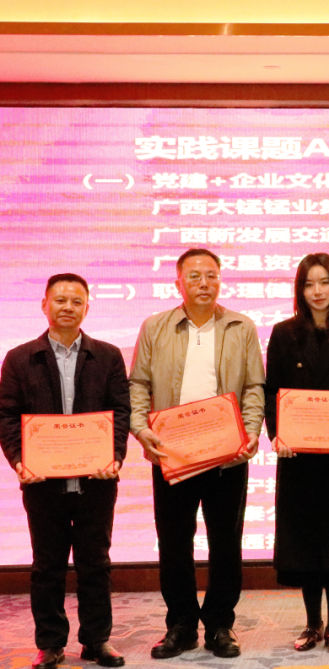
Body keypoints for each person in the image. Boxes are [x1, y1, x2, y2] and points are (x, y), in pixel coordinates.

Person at [129, 247, 265, 659]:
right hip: (173, 454)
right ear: (179, 283)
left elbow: (254, 387)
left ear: (220, 280)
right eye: (194, 276)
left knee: (226, 543)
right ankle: (182, 624)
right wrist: (141, 429)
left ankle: (220, 624)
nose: (204, 284)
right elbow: (138, 384)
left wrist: (251, 431)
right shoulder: (155, 327)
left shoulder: (241, 326)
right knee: (173, 542)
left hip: (227, 456)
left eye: (211, 276)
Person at [0, 274, 131, 669]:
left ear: (87, 308)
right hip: (42, 483)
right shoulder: (19, 358)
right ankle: (51, 643)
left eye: (77, 301)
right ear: (45, 305)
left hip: (97, 481)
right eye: (60, 300)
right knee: (47, 566)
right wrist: (20, 461)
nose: (68, 307)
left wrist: (115, 456)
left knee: (96, 563)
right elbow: (7, 415)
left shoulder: (107, 355)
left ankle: (96, 640)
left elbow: (120, 410)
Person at [263, 254, 329, 656]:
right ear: (300, 289)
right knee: (304, 543)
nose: (317, 291)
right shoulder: (283, 333)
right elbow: (272, 391)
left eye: (324, 282)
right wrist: (277, 434)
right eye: (309, 284)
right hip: (299, 457)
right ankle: (312, 623)